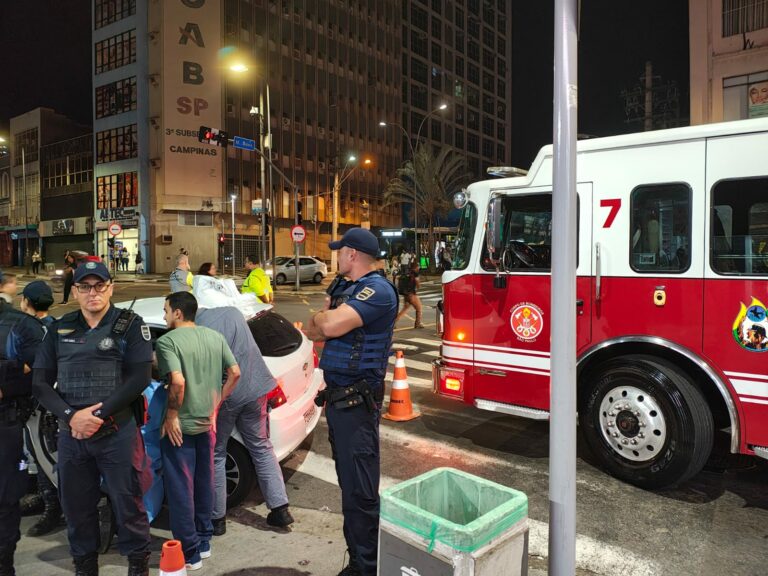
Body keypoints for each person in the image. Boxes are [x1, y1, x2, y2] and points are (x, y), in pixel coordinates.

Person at [32, 261, 154, 576]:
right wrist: (72, 417)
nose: (92, 293)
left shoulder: (129, 325)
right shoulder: (59, 328)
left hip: (116, 433)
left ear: (110, 287)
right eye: (84, 287)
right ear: (75, 291)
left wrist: (96, 415)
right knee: (76, 509)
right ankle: (85, 567)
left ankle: (137, 565)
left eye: (99, 285)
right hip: (72, 436)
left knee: (128, 504)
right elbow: (41, 384)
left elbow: (140, 377)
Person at [306, 228, 398, 576]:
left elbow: (325, 326)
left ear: (353, 255)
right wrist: (322, 321)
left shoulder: (378, 292)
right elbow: (319, 328)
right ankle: (359, 561)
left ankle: (368, 566)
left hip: (357, 406)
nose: (336, 256)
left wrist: (323, 320)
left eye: (339, 251)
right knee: (350, 487)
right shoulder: (350, 289)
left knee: (360, 492)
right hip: (342, 404)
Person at [155, 292, 241, 570]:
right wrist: (216, 404)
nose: (164, 316)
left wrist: (170, 415)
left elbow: (177, 382)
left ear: (178, 313)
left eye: (166, 310)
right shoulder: (214, 337)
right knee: (205, 483)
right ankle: (204, 541)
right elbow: (235, 373)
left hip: (180, 426)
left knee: (181, 490)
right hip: (208, 423)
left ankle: (189, 553)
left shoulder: (167, 341)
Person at [196, 306, 293, 537]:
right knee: (261, 446)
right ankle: (280, 508)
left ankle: (217, 518)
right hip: (258, 388)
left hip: (229, 395)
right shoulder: (233, 312)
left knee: (217, 453)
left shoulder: (197, 328)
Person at [0, 278, 46, 576]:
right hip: (9, 423)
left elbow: (42, 367)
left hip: (8, 423)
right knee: (5, 500)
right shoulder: (22, 324)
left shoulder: (20, 325)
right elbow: (41, 368)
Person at [18, 280, 63, 537]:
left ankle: (52, 510)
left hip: (38, 409)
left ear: (27, 302)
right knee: (54, 461)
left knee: (44, 460)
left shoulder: (29, 331)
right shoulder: (59, 326)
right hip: (57, 407)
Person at [396, 260, 425, 329]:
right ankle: (417, 324)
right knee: (419, 308)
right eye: (418, 266)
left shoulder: (407, 272)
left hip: (406, 294)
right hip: (412, 294)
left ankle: (393, 323)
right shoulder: (415, 273)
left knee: (404, 310)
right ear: (416, 267)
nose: (419, 267)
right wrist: (418, 286)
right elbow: (417, 281)